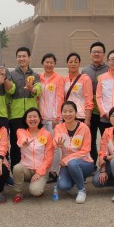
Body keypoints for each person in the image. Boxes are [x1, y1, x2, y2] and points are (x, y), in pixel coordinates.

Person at [54, 101, 94, 204]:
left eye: (70, 111)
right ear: (61, 113)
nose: (67, 114)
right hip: (66, 165)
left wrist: (67, 159)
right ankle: (76, 180)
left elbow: (86, 150)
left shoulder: (84, 128)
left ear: (76, 113)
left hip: (85, 162)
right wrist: (57, 143)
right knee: (63, 186)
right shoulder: (59, 127)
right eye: (65, 111)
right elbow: (56, 139)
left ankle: (81, 190)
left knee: (72, 163)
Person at [12, 107, 54, 203]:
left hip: (41, 170)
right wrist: (24, 142)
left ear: (39, 119)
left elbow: (49, 157)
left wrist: (39, 172)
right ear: (25, 119)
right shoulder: (21, 131)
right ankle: (18, 193)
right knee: (17, 168)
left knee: (35, 191)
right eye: (29, 117)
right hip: (26, 169)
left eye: (35, 116)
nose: (32, 119)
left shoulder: (47, 134)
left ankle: (38, 186)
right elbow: (21, 139)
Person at [7, 47, 41, 168]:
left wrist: (32, 89)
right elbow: (10, 91)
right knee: (16, 144)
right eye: (19, 56)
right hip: (16, 115)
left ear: (29, 58)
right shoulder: (11, 75)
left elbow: (38, 90)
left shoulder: (35, 75)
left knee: (32, 143)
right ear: (16, 58)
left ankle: (32, 168)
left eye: (24, 56)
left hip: (31, 116)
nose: (21, 59)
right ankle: (16, 169)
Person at [81, 42, 108, 167]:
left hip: (104, 112)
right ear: (90, 54)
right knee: (90, 139)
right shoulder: (85, 70)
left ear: (104, 54)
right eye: (94, 52)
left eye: (99, 52)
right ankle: (92, 165)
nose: (96, 54)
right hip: (90, 112)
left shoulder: (109, 69)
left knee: (105, 139)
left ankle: (106, 164)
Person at [39, 53, 64, 182]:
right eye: (47, 62)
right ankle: (44, 170)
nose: (49, 64)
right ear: (42, 63)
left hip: (53, 118)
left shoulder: (58, 78)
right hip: (41, 118)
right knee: (43, 145)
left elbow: (60, 98)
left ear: (55, 64)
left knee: (54, 146)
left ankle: (54, 172)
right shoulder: (39, 78)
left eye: (51, 62)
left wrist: (57, 117)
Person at [64, 52, 93, 127]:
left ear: (79, 64)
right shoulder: (64, 79)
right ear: (67, 64)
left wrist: (87, 119)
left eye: (76, 62)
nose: (73, 64)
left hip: (81, 115)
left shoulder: (85, 79)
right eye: (70, 62)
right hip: (67, 115)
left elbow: (89, 100)